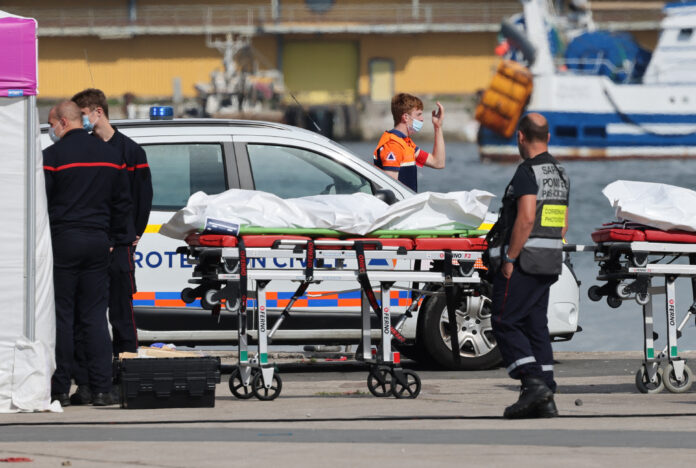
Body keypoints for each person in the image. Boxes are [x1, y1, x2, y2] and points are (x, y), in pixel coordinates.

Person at [44, 101, 134, 407]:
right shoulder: (111, 156)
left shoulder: (51, 158)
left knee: (62, 317)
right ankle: (99, 388)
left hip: (63, 242)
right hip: (98, 242)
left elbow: (41, 204)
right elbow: (123, 203)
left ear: (63, 123)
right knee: (95, 317)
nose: (50, 131)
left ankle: (58, 390)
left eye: (50, 125)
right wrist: (115, 239)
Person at [69, 88, 153, 404]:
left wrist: (132, 235)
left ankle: (126, 377)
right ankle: (90, 381)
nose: (82, 121)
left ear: (97, 112)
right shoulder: (87, 150)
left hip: (118, 247)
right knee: (86, 316)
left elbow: (142, 197)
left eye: (84, 115)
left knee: (121, 314)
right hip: (93, 243)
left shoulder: (130, 152)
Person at [487, 113, 569, 419]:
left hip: (524, 261)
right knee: (536, 326)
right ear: (547, 138)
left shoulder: (527, 172)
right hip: (548, 262)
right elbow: (562, 224)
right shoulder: (560, 173)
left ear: (520, 136)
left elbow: (526, 218)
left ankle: (532, 382)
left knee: (504, 320)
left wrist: (510, 258)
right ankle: (544, 395)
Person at [373, 93, 445, 192]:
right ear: (406, 117)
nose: (422, 119)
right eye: (418, 114)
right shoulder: (393, 146)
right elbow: (390, 191)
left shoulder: (406, 143)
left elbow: (438, 162)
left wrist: (438, 126)